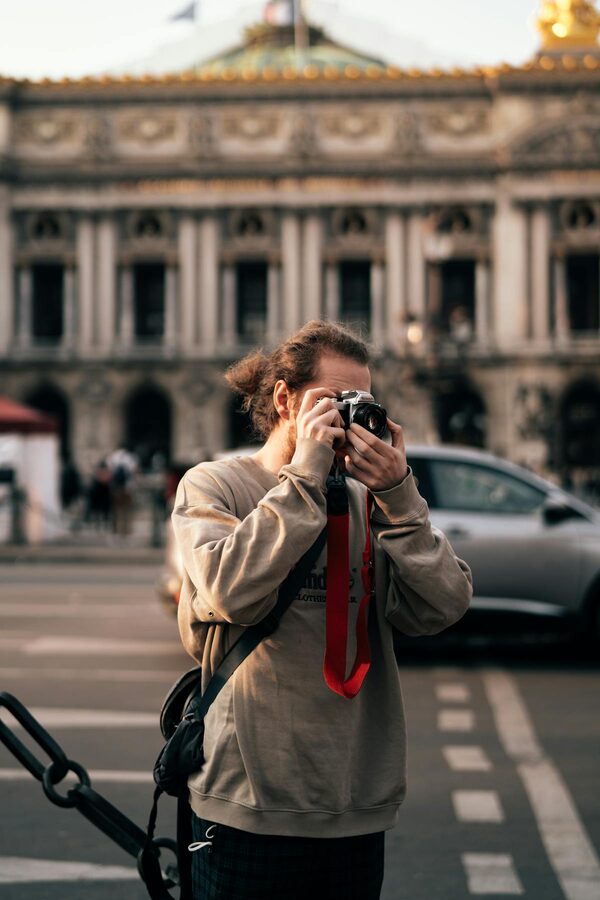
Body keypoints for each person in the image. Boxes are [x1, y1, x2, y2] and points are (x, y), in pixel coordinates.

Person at [172, 320, 473, 900]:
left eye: (360, 403)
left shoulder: (371, 500)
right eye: (330, 402)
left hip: (354, 804)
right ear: (283, 398)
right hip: (247, 805)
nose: (345, 419)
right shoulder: (216, 485)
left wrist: (400, 494)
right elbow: (231, 589)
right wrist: (305, 474)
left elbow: (442, 607)